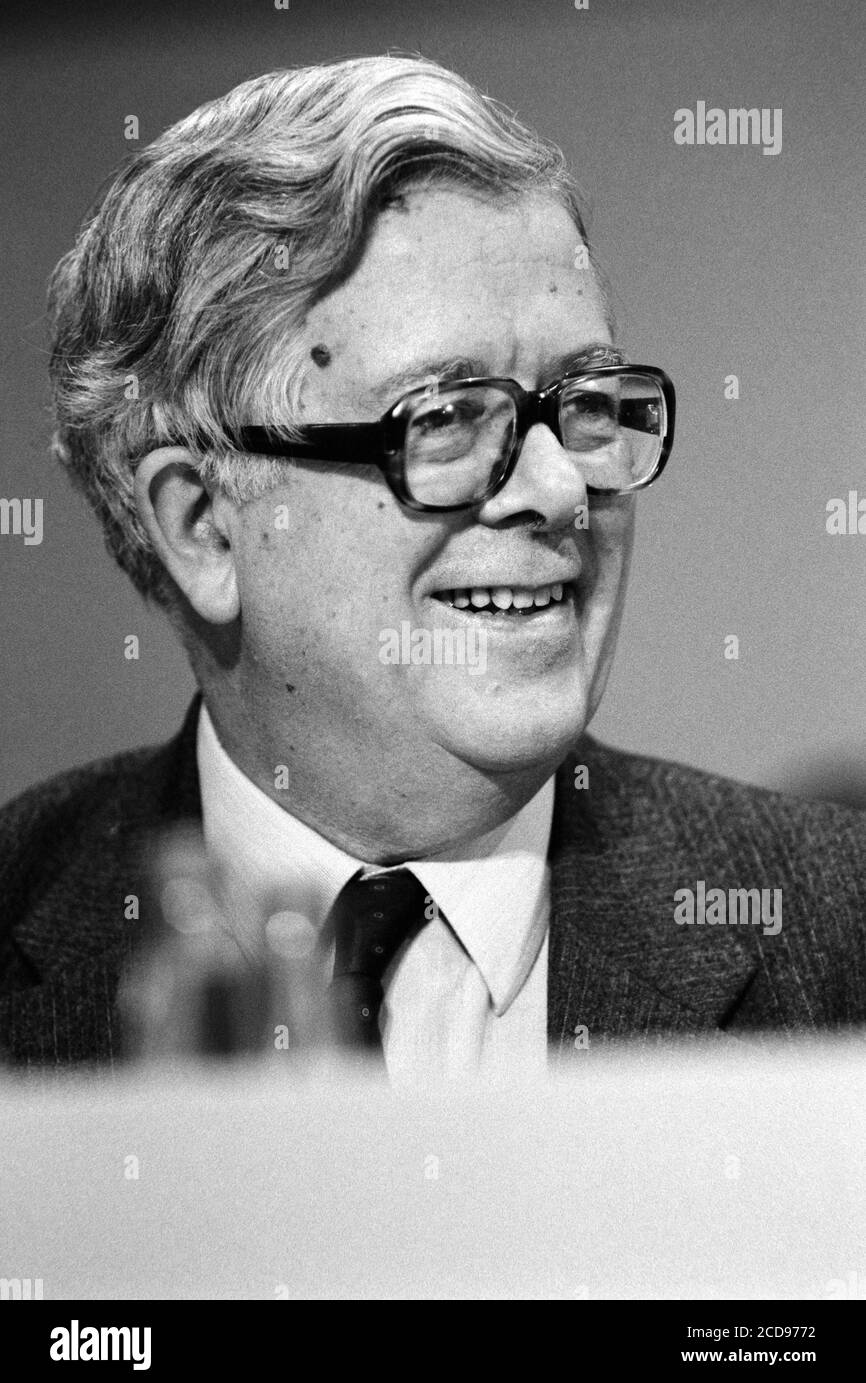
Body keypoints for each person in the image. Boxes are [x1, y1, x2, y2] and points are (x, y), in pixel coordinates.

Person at [1, 55, 864, 1076]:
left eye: (584, 403)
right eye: (446, 420)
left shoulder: (833, 937)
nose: (557, 489)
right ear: (203, 526)